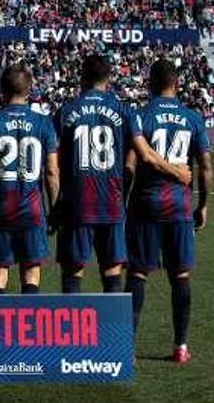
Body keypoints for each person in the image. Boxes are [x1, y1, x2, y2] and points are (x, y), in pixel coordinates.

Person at [54, 55, 192, 294]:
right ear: (109, 78)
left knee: (73, 269)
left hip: (77, 201)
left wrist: (56, 201)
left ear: (82, 77)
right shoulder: (125, 111)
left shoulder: (66, 112)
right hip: (111, 201)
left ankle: (73, 330)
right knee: (112, 269)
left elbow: (52, 164)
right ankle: (112, 331)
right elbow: (146, 155)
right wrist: (178, 172)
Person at [125, 59, 214, 364]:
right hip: (179, 206)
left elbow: (129, 165)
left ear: (150, 83)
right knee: (181, 274)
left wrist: (124, 200)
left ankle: (127, 348)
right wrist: (202, 204)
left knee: (137, 272)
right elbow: (205, 166)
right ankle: (181, 347)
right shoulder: (192, 117)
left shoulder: (140, 116)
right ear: (177, 84)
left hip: (146, 203)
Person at [0, 64, 60, 294]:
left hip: (0, 207)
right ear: (30, 89)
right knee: (31, 270)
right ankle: (29, 329)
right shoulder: (44, 123)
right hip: (32, 208)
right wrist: (55, 206)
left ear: (2, 89)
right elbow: (52, 171)